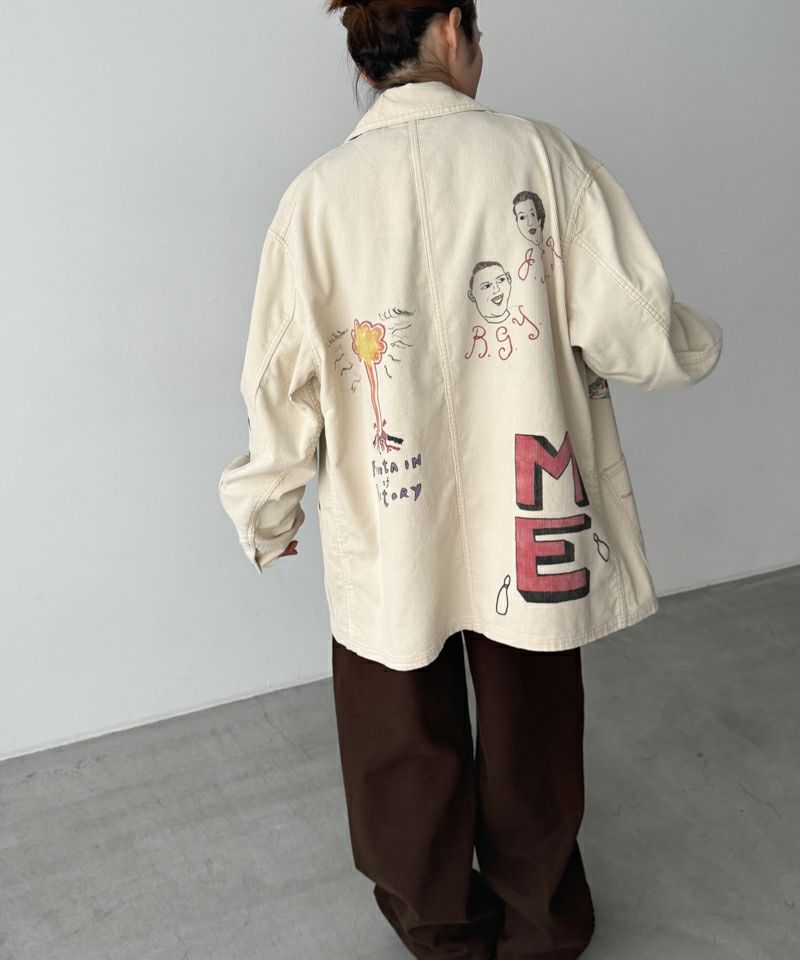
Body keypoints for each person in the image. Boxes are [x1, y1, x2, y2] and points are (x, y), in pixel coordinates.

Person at [217, 2, 724, 957]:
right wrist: (698, 344)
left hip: (390, 511)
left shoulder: (316, 199)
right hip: (528, 505)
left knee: (397, 727)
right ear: (454, 29)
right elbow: (637, 324)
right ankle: (539, 922)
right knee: (533, 719)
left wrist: (268, 507)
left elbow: (279, 378)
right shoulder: (540, 158)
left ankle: (441, 930)